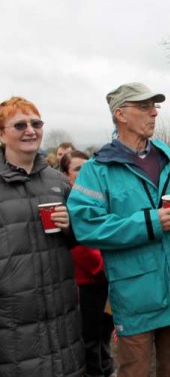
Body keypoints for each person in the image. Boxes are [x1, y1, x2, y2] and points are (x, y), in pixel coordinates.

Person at [68, 82, 170, 377]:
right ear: (120, 114)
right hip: (136, 296)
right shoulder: (98, 169)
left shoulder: (168, 157)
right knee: (134, 372)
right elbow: (85, 225)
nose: (154, 113)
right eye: (145, 107)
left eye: (155, 107)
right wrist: (150, 223)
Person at [0, 96, 85, 376]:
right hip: (13, 319)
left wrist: (70, 225)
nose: (30, 130)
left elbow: (79, 237)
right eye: (19, 125)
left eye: (36, 123)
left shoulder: (57, 181)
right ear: (2, 134)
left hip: (61, 312)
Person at [62, 150, 116, 377]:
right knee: (90, 338)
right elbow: (80, 245)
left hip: (107, 279)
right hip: (87, 283)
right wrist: (103, 268)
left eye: (87, 167)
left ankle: (106, 369)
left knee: (104, 335)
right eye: (77, 168)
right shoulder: (66, 200)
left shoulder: (97, 196)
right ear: (65, 174)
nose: (84, 172)